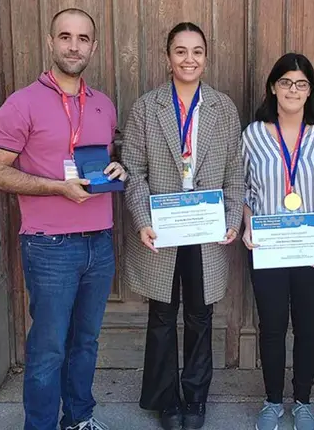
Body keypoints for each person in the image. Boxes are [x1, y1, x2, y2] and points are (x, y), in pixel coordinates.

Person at [0, 8, 124, 430]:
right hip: (49, 246)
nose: (74, 46)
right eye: (65, 36)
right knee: (47, 349)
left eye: (83, 39)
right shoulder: (22, 102)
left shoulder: (103, 105)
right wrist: (56, 187)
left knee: (86, 342)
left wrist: (117, 171)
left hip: (99, 241)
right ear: (50, 42)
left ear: (93, 47)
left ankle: (79, 418)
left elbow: (100, 165)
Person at [120, 22, 244, 430]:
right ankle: (165, 399)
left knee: (200, 316)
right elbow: (135, 172)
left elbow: (235, 174)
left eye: (197, 51)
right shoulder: (147, 107)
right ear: (167, 56)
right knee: (161, 315)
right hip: (163, 228)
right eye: (180, 51)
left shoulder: (222, 108)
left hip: (206, 231)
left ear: (206, 57)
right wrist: (142, 221)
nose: (189, 59)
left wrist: (230, 220)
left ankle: (195, 398)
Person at [240, 53, 314, 430]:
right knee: (272, 325)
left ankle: (304, 401)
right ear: (273, 87)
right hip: (267, 248)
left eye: (301, 84)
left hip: (313, 246)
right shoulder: (253, 134)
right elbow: (244, 187)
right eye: (285, 82)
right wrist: (248, 224)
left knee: (308, 325)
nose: (292, 90)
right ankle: (271, 401)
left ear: (310, 90)